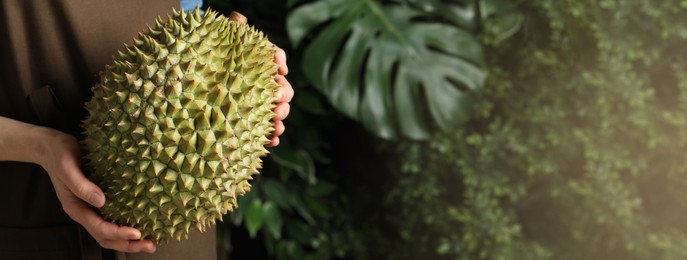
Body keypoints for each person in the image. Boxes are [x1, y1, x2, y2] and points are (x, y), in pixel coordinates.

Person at [0, 0, 293, 259]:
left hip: (180, 221)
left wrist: (250, 76)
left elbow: (188, 16)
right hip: (39, 205)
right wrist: (42, 146)